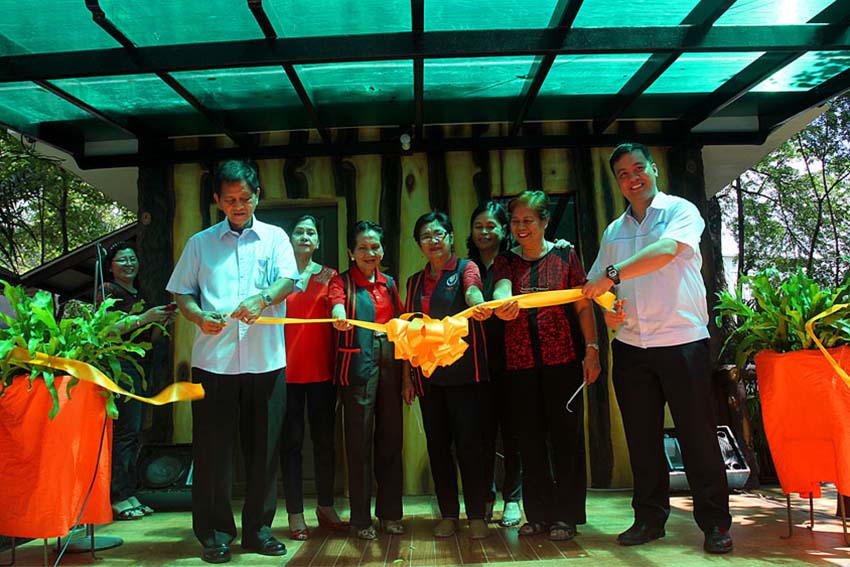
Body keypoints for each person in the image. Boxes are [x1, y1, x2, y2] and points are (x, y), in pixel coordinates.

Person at [582, 143, 733, 554]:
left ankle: (715, 524)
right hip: (631, 347)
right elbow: (596, 283)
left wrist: (612, 276)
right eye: (623, 174)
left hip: (682, 340)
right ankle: (649, 519)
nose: (633, 178)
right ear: (617, 183)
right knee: (641, 439)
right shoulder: (614, 231)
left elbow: (666, 252)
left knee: (698, 436)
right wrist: (609, 308)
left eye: (638, 168)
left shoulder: (680, 212)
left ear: (653, 170)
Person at [166, 159, 298, 565]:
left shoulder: (275, 238)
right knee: (213, 454)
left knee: (264, 451)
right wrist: (197, 315)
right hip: (214, 364)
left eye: (245, 198)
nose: (238, 206)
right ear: (217, 201)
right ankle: (215, 534)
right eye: (230, 200)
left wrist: (263, 298)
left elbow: (288, 281)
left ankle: (258, 532)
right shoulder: (200, 244)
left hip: (266, 362)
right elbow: (181, 294)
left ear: (257, 195)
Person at [492, 190, 601, 542]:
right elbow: (502, 289)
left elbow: (584, 305)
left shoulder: (567, 255)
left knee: (566, 439)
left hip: (563, 362)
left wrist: (592, 349)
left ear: (544, 221)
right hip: (520, 365)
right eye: (515, 221)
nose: (521, 227)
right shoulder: (507, 261)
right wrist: (502, 302)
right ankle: (537, 515)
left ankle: (566, 516)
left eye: (528, 220)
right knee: (530, 440)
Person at [402, 211, 493, 540]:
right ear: (419, 244)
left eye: (438, 234)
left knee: (470, 446)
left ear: (451, 237)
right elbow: (408, 332)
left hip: (464, 375)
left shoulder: (466, 268)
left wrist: (478, 301)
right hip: (427, 378)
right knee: (438, 447)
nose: (433, 241)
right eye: (426, 236)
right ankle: (449, 515)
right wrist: (407, 376)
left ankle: (477, 516)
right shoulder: (413, 282)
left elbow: (472, 292)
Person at [329, 221, 405, 540]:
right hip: (358, 364)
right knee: (358, 442)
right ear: (351, 252)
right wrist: (338, 315)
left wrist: (408, 375)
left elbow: (401, 325)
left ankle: (389, 514)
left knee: (390, 439)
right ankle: (360, 520)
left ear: (382, 250)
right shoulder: (341, 282)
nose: (369, 253)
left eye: (374, 247)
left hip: (390, 361)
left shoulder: (389, 283)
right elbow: (334, 304)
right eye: (362, 248)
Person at [97, 241, 175, 521]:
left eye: (132, 259)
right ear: (111, 266)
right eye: (122, 260)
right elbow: (107, 330)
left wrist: (159, 322)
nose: (129, 264)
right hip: (121, 367)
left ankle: (127, 491)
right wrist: (144, 317)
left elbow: (147, 338)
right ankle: (117, 495)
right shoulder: (108, 291)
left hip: (141, 365)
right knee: (125, 433)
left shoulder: (138, 293)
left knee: (135, 432)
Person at [279, 215, 346, 540]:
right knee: (290, 445)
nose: (305, 236)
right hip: (284, 375)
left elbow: (337, 306)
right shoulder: (277, 276)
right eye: (299, 231)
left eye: (311, 232)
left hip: (322, 374)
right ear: (290, 239)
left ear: (318, 241)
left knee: (325, 443)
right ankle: (294, 513)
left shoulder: (330, 276)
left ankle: (325, 506)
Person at [466, 202, 523, 527]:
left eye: (491, 226)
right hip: (475, 363)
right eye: (478, 226)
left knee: (512, 433)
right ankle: (484, 497)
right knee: (479, 435)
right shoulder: (465, 266)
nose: (485, 232)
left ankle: (512, 499)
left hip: (512, 360)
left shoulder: (514, 262)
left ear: (503, 230)